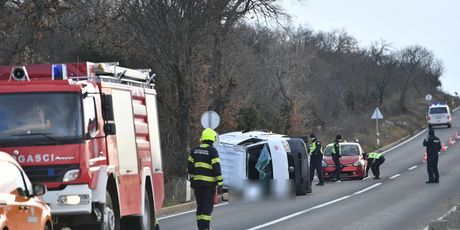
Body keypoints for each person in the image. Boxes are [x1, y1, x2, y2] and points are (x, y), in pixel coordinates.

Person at [187, 128, 223, 230]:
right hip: (209, 185)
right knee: (207, 207)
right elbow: (217, 168)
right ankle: (205, 227)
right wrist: (220, 183)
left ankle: (200, 227)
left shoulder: (194, 150)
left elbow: (190, 167)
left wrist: (192, 180)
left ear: (202, 138)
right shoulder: (212, 151)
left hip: (197, 185)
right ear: (213, 139)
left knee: (200, 206)